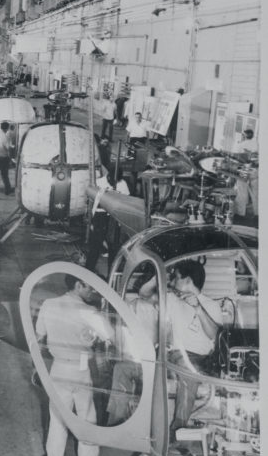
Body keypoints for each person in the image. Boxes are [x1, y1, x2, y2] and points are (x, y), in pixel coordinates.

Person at [36, 274, 112, 456]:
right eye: (89, 288)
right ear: (78, 285)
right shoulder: (89, 311)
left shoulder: (49, 304)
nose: (92, 292)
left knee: (58, 417)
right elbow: (110, 335)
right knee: (87, 417)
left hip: (59, 368)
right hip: (81, 370)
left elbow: (39, 332)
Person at [138, 260, 222, 439]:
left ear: (188, 281)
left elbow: (213, 334)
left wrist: (198, 309)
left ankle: (177, 430)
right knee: (126, 368)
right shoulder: (172, 299)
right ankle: (125, 423)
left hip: (197, 358)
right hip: (170, 354)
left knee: (187, 369)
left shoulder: (211, 305)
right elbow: (144, 294)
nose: (172, 282)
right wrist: (158, 276)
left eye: (176, 278)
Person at [85, 166, 129, 272]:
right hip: (100, 216)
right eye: (111, 180)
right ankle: (88, 272)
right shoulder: (98, 182)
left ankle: (111, 276)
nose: (113, 182)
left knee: (113, 248)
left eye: (116, 181)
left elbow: (126, 200)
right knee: (95, 246)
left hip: (114, 218)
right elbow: (89, 199)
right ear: (108, 176)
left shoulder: (122, 184)